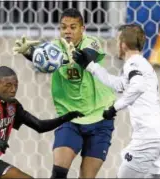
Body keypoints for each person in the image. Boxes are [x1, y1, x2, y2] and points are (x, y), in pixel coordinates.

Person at [13, 8, 116, 178]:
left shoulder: (92, 42)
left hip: (100, 118)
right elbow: (45, 60)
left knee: (87, 176)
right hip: (71, 118)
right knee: (59, 172)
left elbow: (87, 57)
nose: (67, 31)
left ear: (82, 29)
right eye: (63, 27)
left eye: (73, 27)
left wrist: (68, 57)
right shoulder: (55, 47)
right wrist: (28, 53)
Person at [72, 24, 160, 178]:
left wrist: (114, 108)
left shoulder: (134, 64)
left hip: (148, 138)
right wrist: (90, 66)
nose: (115, 44)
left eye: (117, 40)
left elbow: (137, 86)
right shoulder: (141, 64)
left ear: (123, 44)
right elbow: (118, 84)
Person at [0, 66, 84, 179]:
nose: (13, 89)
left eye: (15, 85)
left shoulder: (13, 106)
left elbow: (39, 126)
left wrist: (66, 117)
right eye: (8, 85)